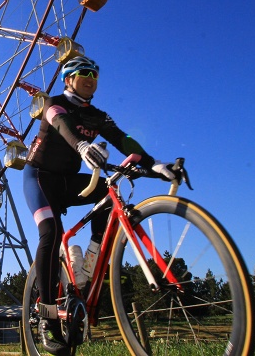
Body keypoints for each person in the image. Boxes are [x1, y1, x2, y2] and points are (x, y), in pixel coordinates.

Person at [22, 55, 175, 356]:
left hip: (69, 181)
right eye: (82, 72)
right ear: (68, 79)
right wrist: (82, 146)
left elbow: (122, 139)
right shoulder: (54, 103)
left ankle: (91, 259)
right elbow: (63, 126)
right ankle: (46, 314)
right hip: (39, 178)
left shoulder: (98, 116)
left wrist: (154, 164)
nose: (90, 77)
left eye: (94, 73)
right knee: (51, 233)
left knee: (110, 188)